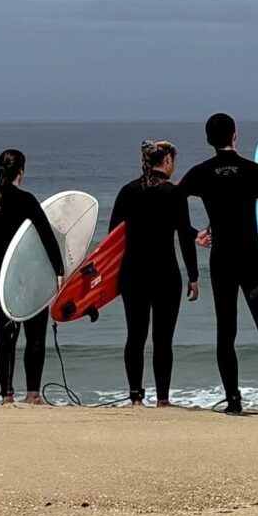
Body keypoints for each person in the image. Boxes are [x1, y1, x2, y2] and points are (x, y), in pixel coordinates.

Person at [179, 113, 258, 414]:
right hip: (252, 261)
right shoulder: (255, 171)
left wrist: (194, 234)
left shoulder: (201, 172)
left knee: (226, 332)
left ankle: (233, 401)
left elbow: (173, 202)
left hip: (223, 261)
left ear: (208, 139)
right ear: (235, 136)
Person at [0, 149, 64, 405]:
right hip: (27, 274)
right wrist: (59, 270)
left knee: (5, 335)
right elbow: (47, 237)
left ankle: (7, 396)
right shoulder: (26, 200)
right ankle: (33, 396)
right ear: (22, 172)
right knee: (35, 334)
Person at [108, 140, 200, 407]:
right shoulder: (173, 193)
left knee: (135, 336)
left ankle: (135, 398)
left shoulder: (128, 191)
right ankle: (162, 399)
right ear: (167, 160)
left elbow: (112, 237)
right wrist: (193, 276)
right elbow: (184, 236)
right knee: (163, 339)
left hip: (132, 274)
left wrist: (110, 277)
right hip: (165, 274)